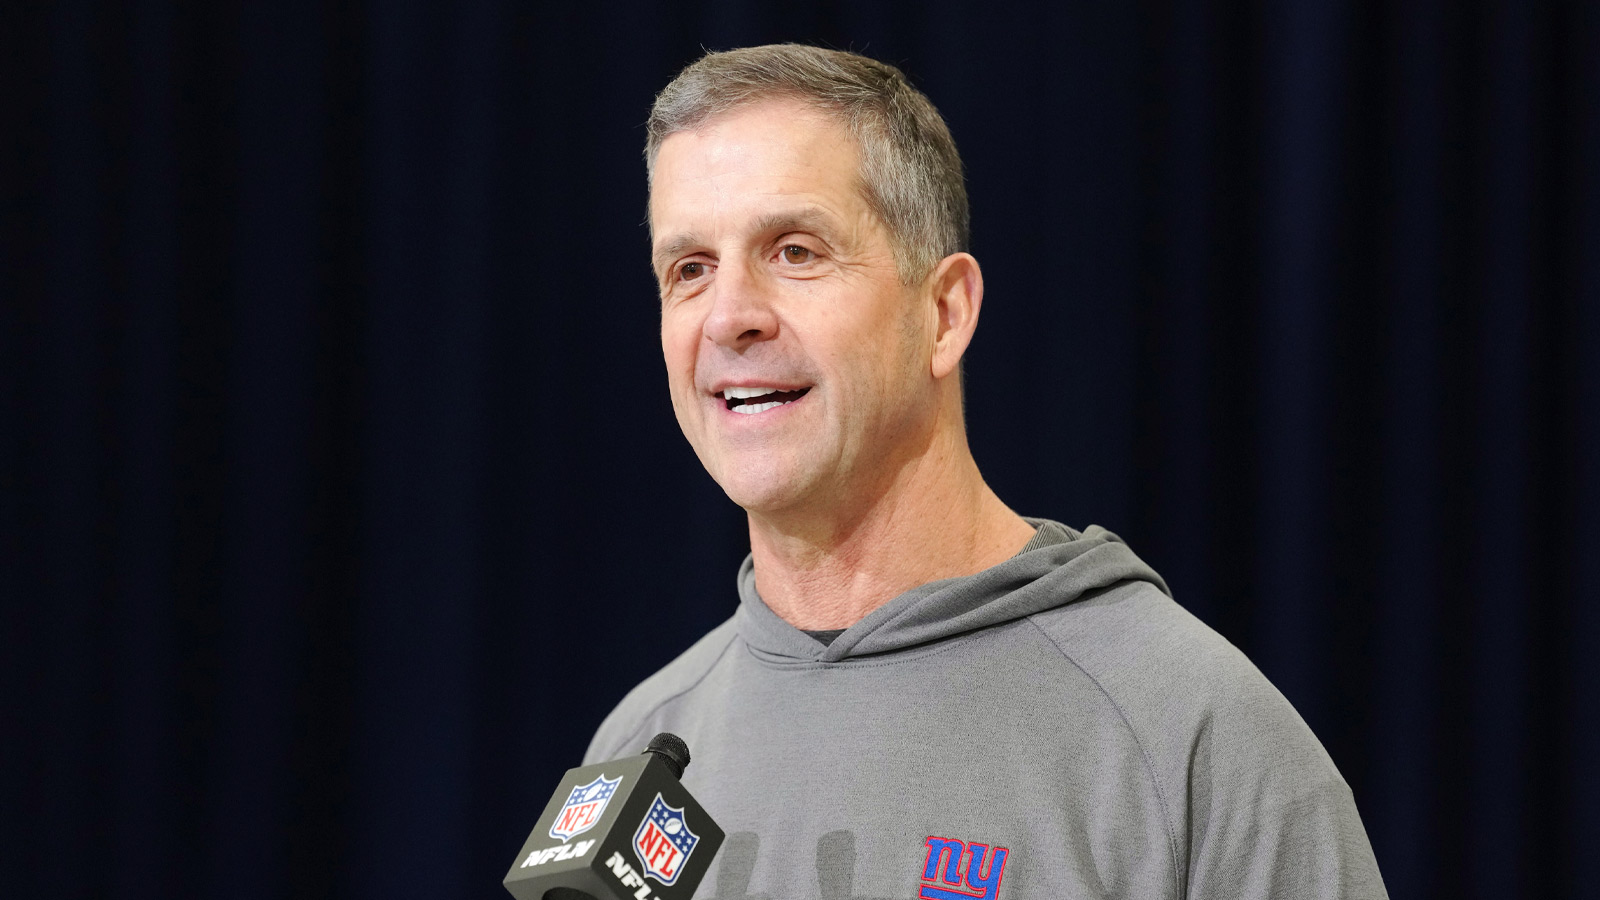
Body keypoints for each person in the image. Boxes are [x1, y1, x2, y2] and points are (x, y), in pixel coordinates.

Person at [586, 44, 1387, 900]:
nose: (729, 317)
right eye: (690, 270)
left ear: (944, 313)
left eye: (795, 251)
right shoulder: (638, 750)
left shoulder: (1193, 741)